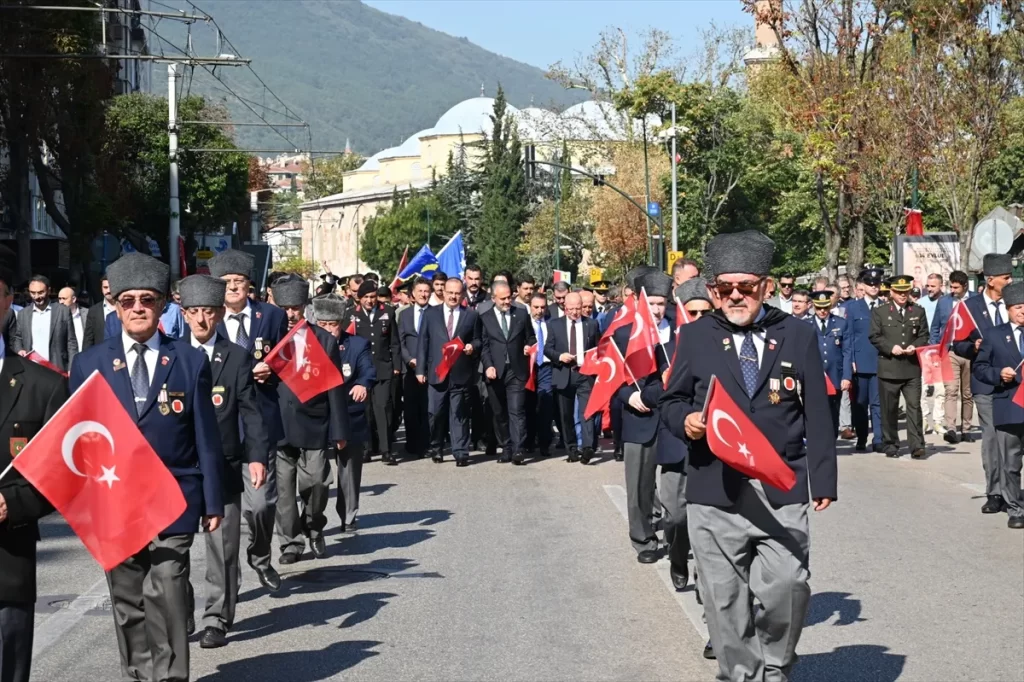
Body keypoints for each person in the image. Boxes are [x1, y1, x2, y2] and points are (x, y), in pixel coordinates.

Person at [660, 230, 837, 681]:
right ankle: (743, 674)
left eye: (746, 287)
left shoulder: (796, 333)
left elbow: (817, 408)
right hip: (713, 489)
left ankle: (775, 665)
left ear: (766, 285)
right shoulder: (695, 335)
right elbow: (673, 399)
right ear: (714, 290)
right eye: (725, 289)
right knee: (723, 599)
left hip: (781, 485)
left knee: (788, 585)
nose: (735, 296)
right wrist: (687, 422)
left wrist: (823, 479)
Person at [69, 253, 223, 682]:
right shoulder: (89, 364)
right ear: (115, 306)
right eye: (128, 300)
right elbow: (78, 440)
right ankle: (138, 674)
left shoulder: (190, 361)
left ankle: (171, 676)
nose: (137, 307)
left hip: (173, 495)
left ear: (163, 307)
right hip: (115, 498)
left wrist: (213, 501)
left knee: (170, 589)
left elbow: (205, 436)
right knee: (128, 596)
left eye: (147, 299)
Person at [178, 275, 270, 648]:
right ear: (183, 315)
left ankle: (217, 616)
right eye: (194, 312)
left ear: (219, 314)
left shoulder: (235, 356)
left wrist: (257, 457)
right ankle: (180, 610)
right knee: (174, 546)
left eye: (209, 312)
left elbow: (251, 411)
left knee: (223, 547)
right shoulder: (172, 355)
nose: (201, 320)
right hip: (180, 466)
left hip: (225, 463)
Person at [0, 251, 69, 682]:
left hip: (7, 554)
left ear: (9, 301)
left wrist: (13, 503)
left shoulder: (43, 385)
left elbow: (61, 472)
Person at [208, 249, 288, 591]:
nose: (233, 288)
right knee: (222, 516)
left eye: (239, 282)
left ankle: (260, 556)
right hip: (221, 422)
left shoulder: (270, 316)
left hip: (261, 417)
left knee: (260, 505)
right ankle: (225, 582)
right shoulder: (207, 318)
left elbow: (288, 357)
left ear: (249, 285)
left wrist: (273, 369)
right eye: (226, 283)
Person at [271, 278, 349, 563]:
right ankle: (290, 544)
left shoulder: (323, 339)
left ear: (304, 307)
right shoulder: (268, 340)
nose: (290, 313)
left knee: (317, 482)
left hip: (314, 422)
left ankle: (314, 527)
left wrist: (339, 430)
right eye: (284, 307)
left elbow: (334, 387)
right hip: (277, 424)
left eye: (295, 307)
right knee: (283, 492)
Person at [613, 270, 673, 564]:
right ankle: (644, 539)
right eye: (652, 304)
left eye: (662, 303)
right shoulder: (624, 335)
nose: (658, 310)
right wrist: (629, 396)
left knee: (678, 486)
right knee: (639, 484)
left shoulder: (682, 330)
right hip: (640, 415)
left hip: (675, 417)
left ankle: (677, 536)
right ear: (640, 303)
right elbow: (612, 378)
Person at [954, 253, 1015, 514]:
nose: (1010, 281)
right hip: (986, 383)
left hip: (1014, 382)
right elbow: (956, 342)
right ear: (990, 280)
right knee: (992, 438)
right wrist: (973, 346)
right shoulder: (969, 307)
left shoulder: (1016, 304)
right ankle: (995, 492)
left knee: (1011, 440)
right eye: (1006, 278)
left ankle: (1012, 489)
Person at [312, 295, 374, 533]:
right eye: (323, 325)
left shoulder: (357, 345)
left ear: (342, 322)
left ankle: (348, 516)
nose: (328, 330)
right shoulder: (306, 344)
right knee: (315, 473)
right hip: (317, 415)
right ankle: (313, 516)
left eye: (333, 324)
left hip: (349, 412)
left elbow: (367, 369)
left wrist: (363, 384)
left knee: (349, 468)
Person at [971, 281, 1024, 529]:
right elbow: (980, 368)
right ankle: (1015, 508)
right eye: (1018, 308)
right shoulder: (994, 335)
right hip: (1009, 405)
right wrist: (998, 374)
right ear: (1008, 310)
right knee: (1010, 463)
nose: (1023, 312)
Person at [416, 277, 480, 466]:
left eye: (457, 293)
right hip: (437, 373)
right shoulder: (430, 314)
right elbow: (423, 343)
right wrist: (420, 369)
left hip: (460, 373)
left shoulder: (471, 315)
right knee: (435, 413)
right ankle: (436, 447)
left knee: (459, 414)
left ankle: (460, 452)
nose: (453, 296)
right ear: (443, 292)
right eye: (450, 292)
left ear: (462, 294)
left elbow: (478, 340)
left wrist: (471, 347)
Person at [869, 275, 929, 459]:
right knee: (890, 409)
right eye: (899, 292)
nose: (903, 295)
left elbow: (924, 335)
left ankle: (917, 444)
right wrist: (890, 348)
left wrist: (915, 346)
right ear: (891, 292)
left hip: (911, 368)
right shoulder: (880, 311)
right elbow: (874, 336)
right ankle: (891, 443)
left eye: (906, 292)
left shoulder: (917, 311)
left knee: (914, 407)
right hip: (889, 367)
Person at [480, 281, 536, 465]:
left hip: (516, 370)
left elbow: (531, 336)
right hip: (495, 372)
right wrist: (488, 365)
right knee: (499, 412)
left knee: (517, 411)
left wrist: (529, 346)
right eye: (502, 298)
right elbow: (484, 345)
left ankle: (518, 449)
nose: (506, 301)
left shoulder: (521, 314)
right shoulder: (484, 317)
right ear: (493, 298)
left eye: (509, 297)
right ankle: (506, 447)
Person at [544, 292, 600, 464]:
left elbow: (598, 348)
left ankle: (588, 447)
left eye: (578, 308)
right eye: (571, 309)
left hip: (584, 373)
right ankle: (572, 449)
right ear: (565, 308)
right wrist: (560, 356)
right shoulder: (555, 325)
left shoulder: (591, 324)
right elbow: (547, 349)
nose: (575, 312)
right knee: (566, 414)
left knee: (587, 412)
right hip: (564, 373)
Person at [349, 280, 401, 465]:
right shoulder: (351, 316)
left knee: (383, 408)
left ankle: (386, 450)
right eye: (366, 297)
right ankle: (366, 448)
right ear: (359, 298)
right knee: (365, 411)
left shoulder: (387, 313)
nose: (370, 301)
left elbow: (394, 342)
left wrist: (396, 365)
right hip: (362, 371)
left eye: (373, 297)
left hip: (383, 368)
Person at [930, 270, 974, 444]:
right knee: (951, 390)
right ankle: (951, 429)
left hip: (970, 353)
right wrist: (935, 348)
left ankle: (966, 429)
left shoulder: (975, 301)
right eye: (951, 286)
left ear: (965, 286)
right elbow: (935, 327)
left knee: (968, 393)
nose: (953, 290)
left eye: (956, 287)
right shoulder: (944, 302)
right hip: (951, 352)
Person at [846, 267, 885, 452]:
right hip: (860, 363)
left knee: (878, 403)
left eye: (876, 284)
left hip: (880, 361)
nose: (874, 287)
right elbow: (849, 336)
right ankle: (861, 437)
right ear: (863, 286)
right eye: (870, 284)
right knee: (860, 404)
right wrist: (851, 359)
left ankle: (878, 439)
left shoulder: (885, 307)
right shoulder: (853, 307)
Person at [809, 290, 852, 435]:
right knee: (816, 413)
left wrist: (846, 376)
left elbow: (847, 352)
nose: (822, 311)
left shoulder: (840, 323)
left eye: (825, 307)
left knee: (833, 413)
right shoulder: (806, 324)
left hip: (835, 375)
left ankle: (831, 442)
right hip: (814, 376)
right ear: (813, 307)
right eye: (818, 308)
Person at [14, 275, 77, 372]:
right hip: (31, 369)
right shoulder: (23, 314)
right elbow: (18, 338)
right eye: (33, 293)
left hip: (57, 369)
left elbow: (71, 342)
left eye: (40, 292)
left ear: (49, 290)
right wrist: (19, 349)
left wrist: (72, 368)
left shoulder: (63, 311)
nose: (37, 297)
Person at [399, 279, 431, 457]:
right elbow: (400, 342)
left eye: (426, 291)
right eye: (420, 291)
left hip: (429, 368)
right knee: (411, 408)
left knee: (427, 407)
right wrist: (409, 359)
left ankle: (426, 443)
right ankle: (411, 444)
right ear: (413, 293)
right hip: (410, 369)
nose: (423, 294)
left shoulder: (436, 313)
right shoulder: (404, 314)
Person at [524, 292, 554, 457]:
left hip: (546, 368)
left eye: (543, 307)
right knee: (529, 405)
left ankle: (544, 443)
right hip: (528, 368)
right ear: (530, 307)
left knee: (545, 405)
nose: (539, 310)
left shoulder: (551, 323)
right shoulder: (524, 322)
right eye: (536, 307)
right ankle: (529, 441)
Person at [83, 275, 117, 349]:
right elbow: (88, 339)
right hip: (101, 355)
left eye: (110, 287)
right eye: (105, 287)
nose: (108, 291)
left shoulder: (125, 308)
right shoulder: (94, 311)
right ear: (101, 289)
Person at [58, 286, 87, 352]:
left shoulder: (87, 314)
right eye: (59, 299)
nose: (61, 302)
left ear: (73, 299)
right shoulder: (57, 316)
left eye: (64, 298)